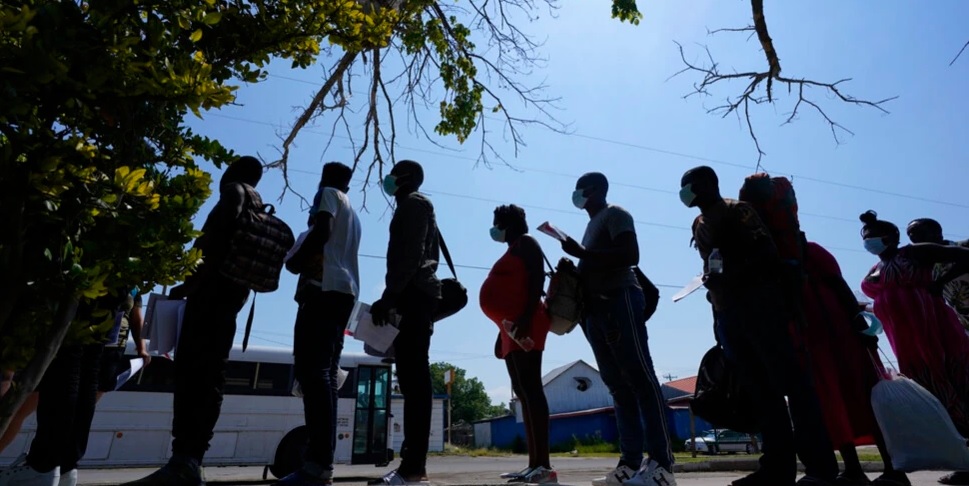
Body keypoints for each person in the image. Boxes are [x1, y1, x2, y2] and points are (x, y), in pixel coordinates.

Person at [679, 166, 837, 486]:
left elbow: (767, 255)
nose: (684, 192)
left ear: (709, 184)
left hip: (761, 308)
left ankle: (821, 468)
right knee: (763, 395)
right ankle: (777, 469)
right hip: (728, 315)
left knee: (794, 387)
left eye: (689, 185)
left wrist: (730, 276)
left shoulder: (738, 211)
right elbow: (712, 267)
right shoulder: (699, 222)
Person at [123, 156, 265, 486]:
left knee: (190, 376)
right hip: (231, 302)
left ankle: (181, 462)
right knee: (211, 378)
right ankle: (192, 459)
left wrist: (189, 282)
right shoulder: (257, 204)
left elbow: (212, 244)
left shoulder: (233, 193)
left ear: (233, 172)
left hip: (208, 299)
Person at [561, 172, 675, 486]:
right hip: (595, 311)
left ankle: (662, 466)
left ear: (596, 189)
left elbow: (630, 255)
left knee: (641, 379)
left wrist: (583, 255)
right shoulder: (591, 225)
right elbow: (596, 261)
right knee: (618, 387)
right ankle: (629, 464)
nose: (577, 193)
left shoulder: (616, 214)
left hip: (619, 301)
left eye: (580, 187)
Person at [859, 211, 969, 486]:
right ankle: (963, 460)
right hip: (905, 342)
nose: (870, 241)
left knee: (953, 387)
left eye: (873, 237)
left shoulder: (914, 253)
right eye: (866, 238)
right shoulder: (875, 269)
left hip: (932, 331)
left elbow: (965, 256)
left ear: (890, 237)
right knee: (932, 394)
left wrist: (940, 283)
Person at [0, 289, 148, 486]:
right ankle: (65, 467)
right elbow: (135, 309)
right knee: (85, 378)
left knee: (66, 365)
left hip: (82, 312)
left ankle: (43, 465)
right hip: (110, 332)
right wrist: (141, 346)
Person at [276, 162, 361, 486]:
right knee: (325, 376)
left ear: (325, 180)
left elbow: (321, 232)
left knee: (314, 374)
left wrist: (296, 261)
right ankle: (321, 464)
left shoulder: (328, 195)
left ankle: (317, 465)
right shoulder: (351, 211)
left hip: (322, 291)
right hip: (343, 294)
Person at [798, 242, 908, 486]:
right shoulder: (773, 253)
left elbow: (840, 286)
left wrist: (860, 325)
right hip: (810, 339)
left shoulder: (810, 251)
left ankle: (894, 470)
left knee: (866, 398)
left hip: (841, 334)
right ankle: (852, 469)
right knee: (831, 403)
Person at [369, 160, 441, 486]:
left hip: (413, 295)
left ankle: (413, 468)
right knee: (412, 382)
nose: (389, 179)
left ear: (406, 178)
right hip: (412, 295)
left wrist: (389, 296)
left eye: (395, 173)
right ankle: (411, 467)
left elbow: (410, 255)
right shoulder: (413, 205)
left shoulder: (412, 204)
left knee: (415, 382)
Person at [479, 205, 555, 484]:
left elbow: (536, 281)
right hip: (511, 329)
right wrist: (501, 331)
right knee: (522, 392)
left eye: (496, 223)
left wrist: (522, 319)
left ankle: (544, 466)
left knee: (531, 388)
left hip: (527, 324)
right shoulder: (513, 249)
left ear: (508, 224)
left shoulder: (527, 243)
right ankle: (533, 464)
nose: (494, 228)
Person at [906, 218, 969, 331]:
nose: (912, 236)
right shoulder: (928, 266)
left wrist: (941, 282)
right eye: (909, 233)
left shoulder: (964, 245)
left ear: (936, 233)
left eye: (916, 232)